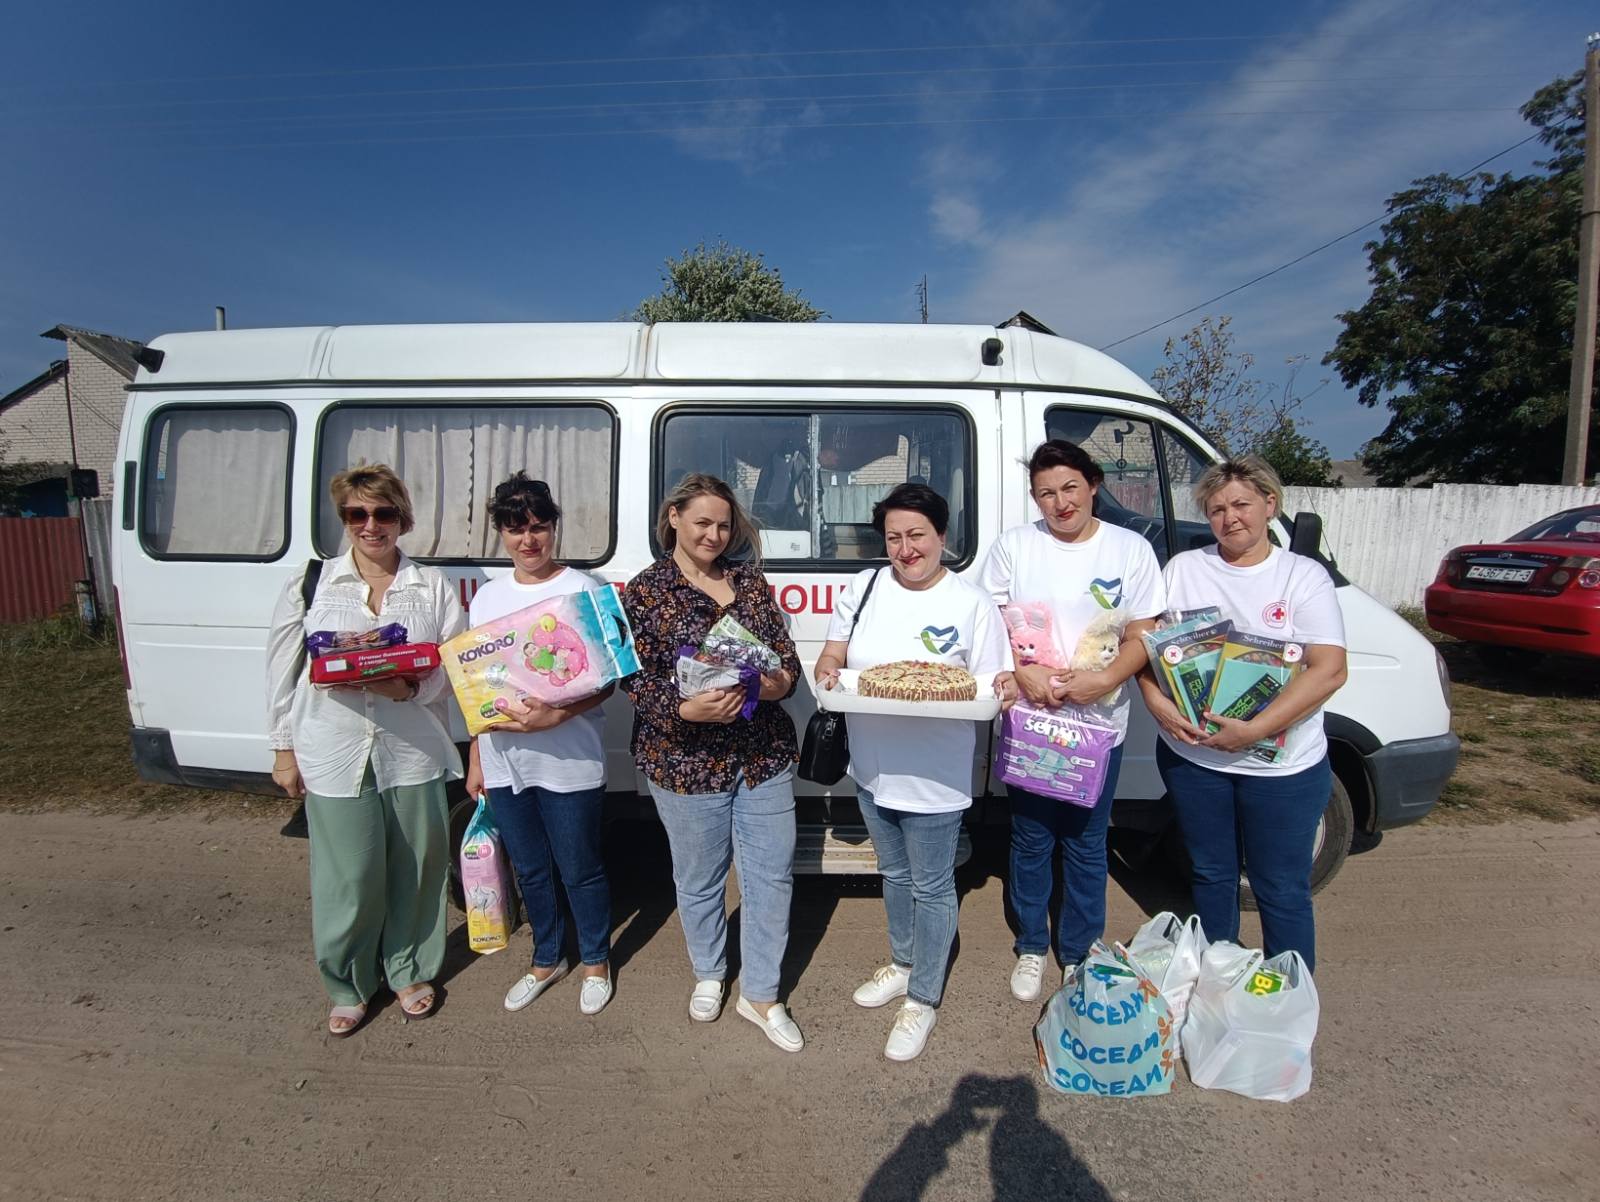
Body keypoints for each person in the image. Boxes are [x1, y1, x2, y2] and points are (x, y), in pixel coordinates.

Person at [265, 463, 466, 1037]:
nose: (370, 525)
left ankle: (407, 969)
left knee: (418, 869)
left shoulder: (430, 587)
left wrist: (401, 687)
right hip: (334, 749)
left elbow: (451, 663)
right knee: (349, 876)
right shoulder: (313, 583)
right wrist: (283, 749)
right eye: (358, 513)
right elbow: (282, 671)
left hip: (413, 750)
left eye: (382, 513)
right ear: (345, 519)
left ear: (401, 519)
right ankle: (349, 983)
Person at [815, 483, 1011, 1061]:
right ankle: (903, 963)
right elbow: (834, 655)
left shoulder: (970, 604)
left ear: (941, 537)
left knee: (931, 884)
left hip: (937, 774)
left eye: (916, 535)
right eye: (894, 537)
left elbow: (992, 683)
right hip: (872, 767)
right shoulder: (865, 586)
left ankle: (923, 997)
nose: (905, 549)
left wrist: (1004, 687)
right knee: (894, 877)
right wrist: (829, 673)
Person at [1138, 456, 1346, 972]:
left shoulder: (1303, 576)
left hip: (1282, 770)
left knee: (1281, 889)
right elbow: (1146, 647)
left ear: (1269, 505)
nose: (1229, 518)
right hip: (1196, 764)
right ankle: (1220, 976)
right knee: (1210, 875)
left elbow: (1329, 670)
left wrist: (1254, 731)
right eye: (1216, 509)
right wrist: (1155, 700)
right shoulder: (1183, 570)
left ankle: (1288, 996)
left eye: (1241, 505)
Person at [621, 473, 806, 1053]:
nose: (714, 534)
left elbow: (786, 661)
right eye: (702, 522)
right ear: (673, 518)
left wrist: (777, 684)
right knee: (699, 879)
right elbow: (631, 676)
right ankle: (708, 971)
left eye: (724, 525)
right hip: (684, 760)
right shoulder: (646, 591)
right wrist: (684, 708)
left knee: (771, 874)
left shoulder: (749, 581)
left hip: (762, 755)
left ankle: (762, 994)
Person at [978, 439, 1165, 1004]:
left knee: (1086, 841)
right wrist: (1023, 672)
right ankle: (1032, 945)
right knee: (1031, 837)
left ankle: (1079, 951)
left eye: (1069, 489)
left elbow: (1145, 632)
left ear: (1093, 485)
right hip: (1033, 719)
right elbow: (987, 622)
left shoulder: (1130, 550)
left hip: (1099, 723)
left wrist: (1107, 681)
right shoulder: (1015, 547)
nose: (1059, 503)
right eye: (1046, 494)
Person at [462, 473, 615, 1017]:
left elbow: (611, 677)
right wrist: (477, 754)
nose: (528, 540)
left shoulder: (587, 588)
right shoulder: (486, 598)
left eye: (538, 526)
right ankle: (546, 957)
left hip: (570, 758)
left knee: (580, 866)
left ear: (554, 526)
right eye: (515, 528)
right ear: (500, 533)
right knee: (529, 868)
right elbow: (477, 685)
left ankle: (595, 960)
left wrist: (558, 712)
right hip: (505, 762)